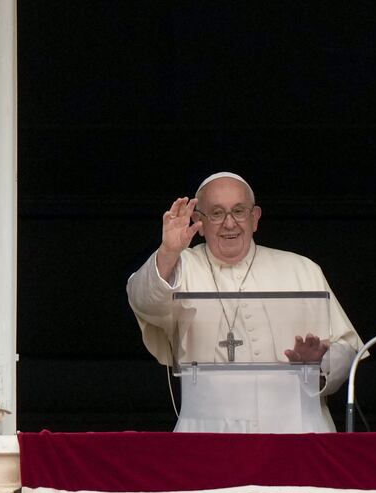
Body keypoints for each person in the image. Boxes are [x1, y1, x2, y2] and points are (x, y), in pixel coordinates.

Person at [127, 172, 363, 433]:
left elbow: (348, 346)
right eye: (216, 213)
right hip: (207, 430)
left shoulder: (302, 268)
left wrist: (321, 363)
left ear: (255, 218)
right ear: (199, 222)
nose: (229, 224)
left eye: (239, 211)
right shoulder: (180, 266)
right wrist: (168, 252)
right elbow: (143, 300)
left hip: (296, 428)